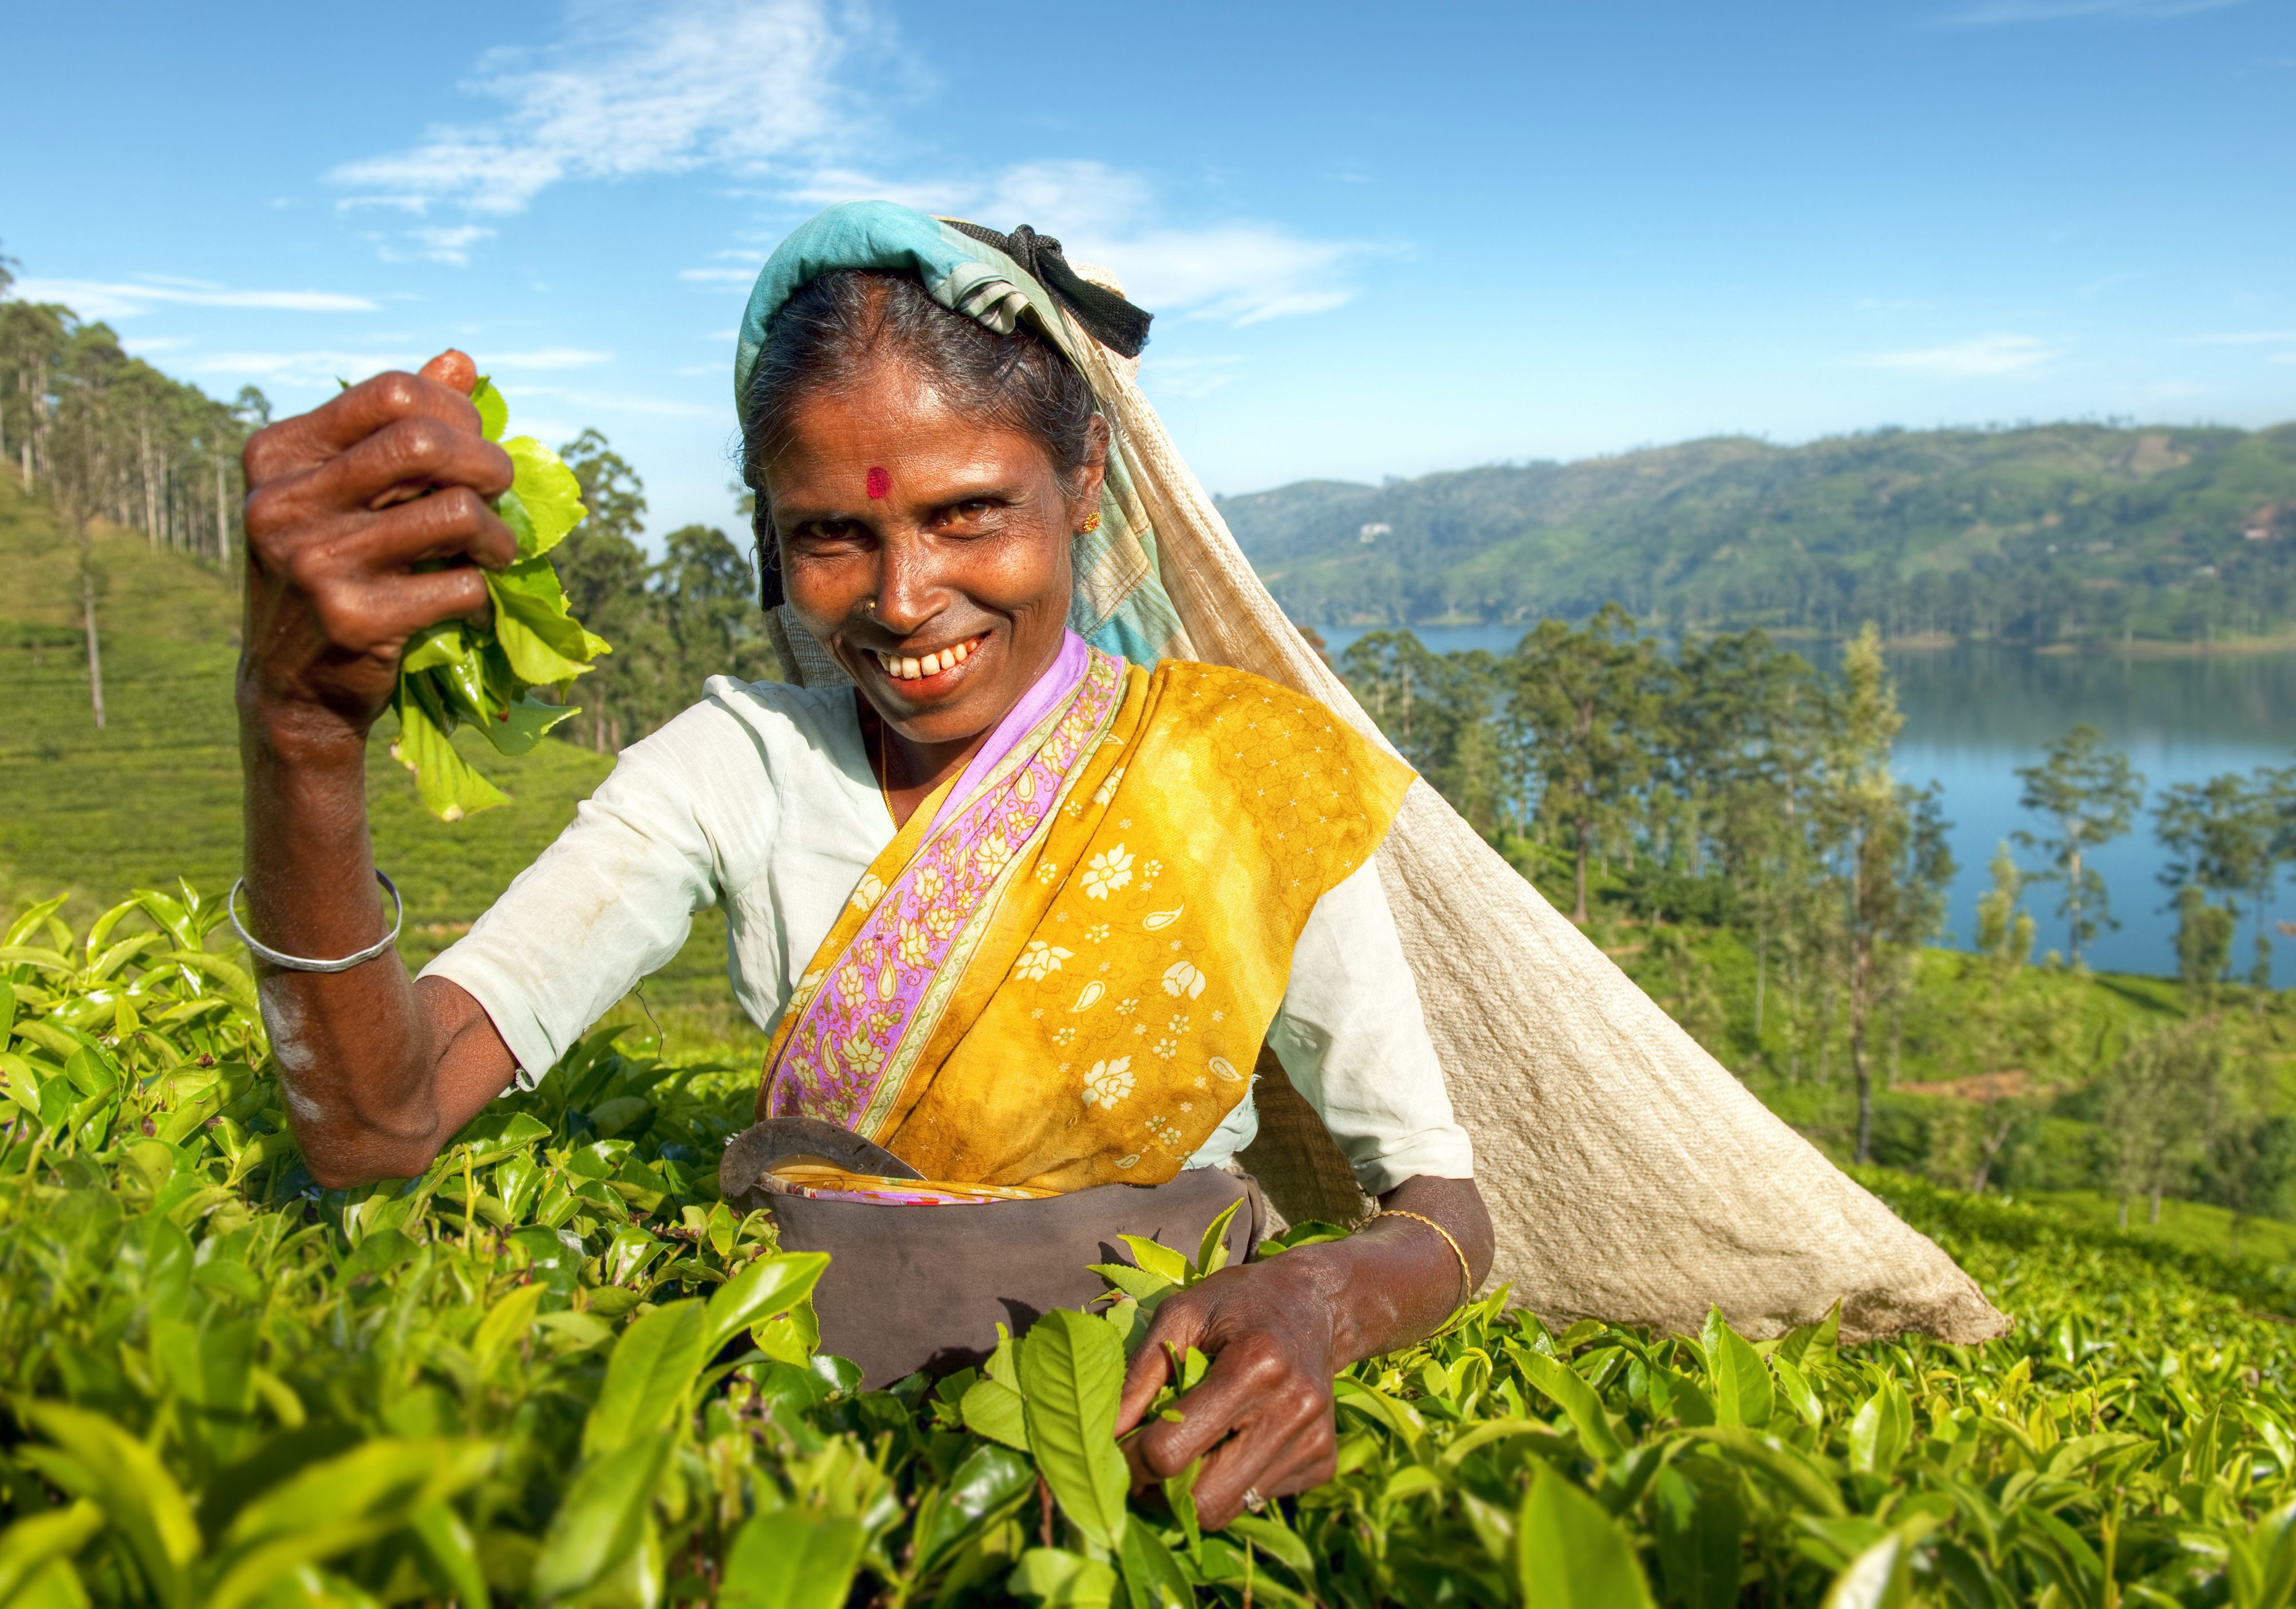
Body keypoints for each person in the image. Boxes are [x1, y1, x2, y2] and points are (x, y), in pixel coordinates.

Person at [235, 201, 1492, 1528]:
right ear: (774, 532)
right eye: (835, 533)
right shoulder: (735, 767)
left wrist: (1318, 1302)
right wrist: (304, 738)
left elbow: (1442, 1207)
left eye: (968, 514)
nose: (901, 599)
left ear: (1082, 480)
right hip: (814, 1476)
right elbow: (378, 1124)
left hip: (1164, 1483)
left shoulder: (1247, 774)